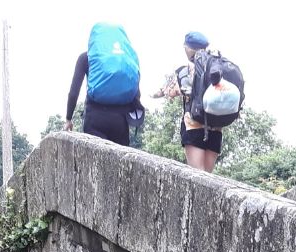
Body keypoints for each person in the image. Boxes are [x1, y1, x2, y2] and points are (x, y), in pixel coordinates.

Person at [64, 23, 144, 146]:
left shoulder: (86, 58)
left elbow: (74, 92)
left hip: (95, 118)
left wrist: (68, 119)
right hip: (120, 121)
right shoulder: (127, 60)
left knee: (93, 163)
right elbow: (135, 90)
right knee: (120, 164)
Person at [158, 31, 221, 173]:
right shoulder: (217, 66)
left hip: (194, 124)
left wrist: (153, 95)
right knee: (209, 176)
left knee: (198, 175)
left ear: (188, 48)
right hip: (216, 125)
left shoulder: (184, 70)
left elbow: (167, 91)